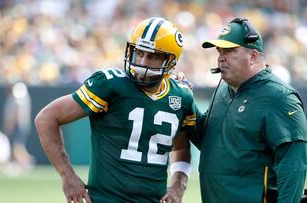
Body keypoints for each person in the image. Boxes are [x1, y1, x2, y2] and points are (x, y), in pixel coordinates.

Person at [35, 17, 197, 203]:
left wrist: (178, 186)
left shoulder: (182, 97)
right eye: (139, 52)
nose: (142, 61)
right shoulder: (110, 84)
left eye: (153, 56)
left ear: (170, 62)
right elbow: (46, 118)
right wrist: (67, 176)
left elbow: (182, 146)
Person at [191, 18, 307, 203]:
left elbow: (294, 168)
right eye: (219, 50)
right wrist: (185, 102)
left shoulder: (279, 97)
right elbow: (210, 141)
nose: (221, 57)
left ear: (253, 56)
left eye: (229, 51)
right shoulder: (223, 89)